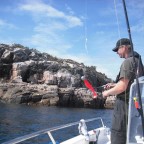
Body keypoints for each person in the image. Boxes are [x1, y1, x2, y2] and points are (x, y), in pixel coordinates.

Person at [102, 38, 144, 144]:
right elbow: (131, 83)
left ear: (124, 47)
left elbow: (122, 88)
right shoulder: (137, 61)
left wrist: (106, 93)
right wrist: (114, 85)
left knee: (118, 134)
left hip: (123, 105)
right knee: (129, 133)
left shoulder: (128, 62)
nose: (116, 52)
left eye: (117, 49)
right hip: (134, 105)